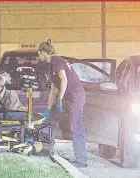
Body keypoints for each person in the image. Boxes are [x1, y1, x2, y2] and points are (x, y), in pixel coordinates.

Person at [38, 38, 88, 168]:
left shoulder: (57, 60)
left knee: (76, 125)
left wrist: (59, 100)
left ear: (44, 52)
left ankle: (82, 160)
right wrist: (48, 109)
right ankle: (47, 149)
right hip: (66, 95)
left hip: (75, 95)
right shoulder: (50, 66)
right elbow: (54, 88)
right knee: (51, 120)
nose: (38, 56)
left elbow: (64, 79)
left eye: (39, 53)